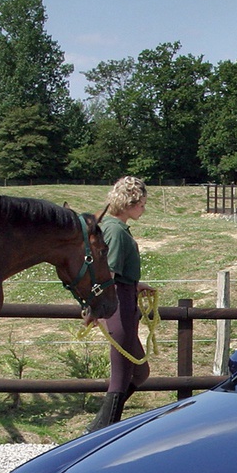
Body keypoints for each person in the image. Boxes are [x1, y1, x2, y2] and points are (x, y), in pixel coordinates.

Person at [88, 176, 153, 431]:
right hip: (118, 303)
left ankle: (101, 426)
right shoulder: (114, 230)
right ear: (129, 203)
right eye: (141, 204)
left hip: (126, 299)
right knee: (122, 372)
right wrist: (96, 309)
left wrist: (135, 285)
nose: (143, 209)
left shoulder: (117, 228)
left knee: (140, 371)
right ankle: (100, 431)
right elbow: (109, 275)